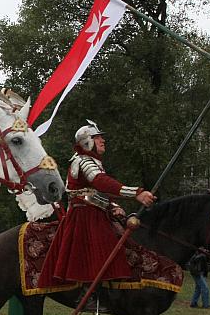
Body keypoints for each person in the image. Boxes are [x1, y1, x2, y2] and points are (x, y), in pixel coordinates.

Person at [40, 121, 155, 294]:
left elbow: (94, 192)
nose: (102, 140)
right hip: (84, 215)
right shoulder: (83, 160)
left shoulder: (91, 160)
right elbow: (100, 182)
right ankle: (91, 292)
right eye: (97, 137)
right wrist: (136, 193)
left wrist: (112, 205)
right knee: (101, 244)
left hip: (93, 210)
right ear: (87, 141)